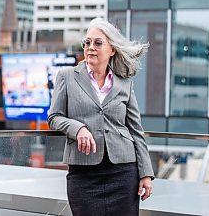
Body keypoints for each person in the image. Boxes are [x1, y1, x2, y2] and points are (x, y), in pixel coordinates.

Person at [47, 18, 154, 216]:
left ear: (112, 49)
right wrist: (77, 128)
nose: (90, 48)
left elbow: (136, 130)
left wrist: (146, 173)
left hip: (124, 173)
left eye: (98, 43)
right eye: (87, 43)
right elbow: (54, 116)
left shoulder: (125, 83)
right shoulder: (67, 76)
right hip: (83, 174)